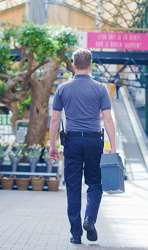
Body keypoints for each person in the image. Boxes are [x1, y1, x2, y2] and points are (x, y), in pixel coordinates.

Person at [49, 48, 116, 245]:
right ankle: (90, 218)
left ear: (73, 64)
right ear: (90, 64)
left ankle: (76, 233)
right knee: (95, 183)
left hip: (72, 142)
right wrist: (112, 146)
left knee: (73, 186)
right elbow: (108, 119)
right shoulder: (100, 88)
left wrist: (52, 145)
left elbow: (54, 120)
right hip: (95, 140)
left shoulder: (62, 88)